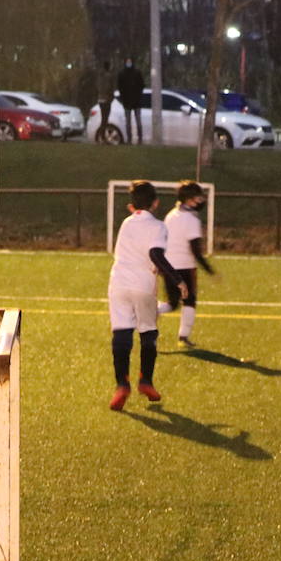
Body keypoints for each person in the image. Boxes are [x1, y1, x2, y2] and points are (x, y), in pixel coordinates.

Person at [107, 180, 180, 410]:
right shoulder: (158, 227)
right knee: (148, 332)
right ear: (156, 203)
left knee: (122, 331)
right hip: (142, 284)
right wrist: (177, 279)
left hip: (118, 282)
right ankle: (145, 381)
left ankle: (122, 385)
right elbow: (155, 253)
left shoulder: (127, 223)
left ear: (132, 205)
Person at [157, 180, 216, 348]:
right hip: (184, 266)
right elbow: (195, 251)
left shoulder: (171, 214)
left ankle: (151, 312)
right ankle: (183, 338)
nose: (201, 201)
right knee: (189, 301)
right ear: (189, 199)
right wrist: (209, 269)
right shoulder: (191, 220)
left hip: (168, 265)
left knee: (172, 303)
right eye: (198, 198)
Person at [116, 57, 145, 144]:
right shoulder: (122, 74)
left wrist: (138, 95)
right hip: (127, 102)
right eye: (127, 61)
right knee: (128, 122)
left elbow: (141, 85)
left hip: (136, 102)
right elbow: (120, 87)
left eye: (130, 61)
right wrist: (123, 97)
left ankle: (140, 138)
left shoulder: (137, 73)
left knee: (138, 122)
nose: (129, 63)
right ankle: (129, 139)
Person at [96, 61, 115, 143]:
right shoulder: (109, 76)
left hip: (100, 99)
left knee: (103, 119)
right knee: (105, 119)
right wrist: (111, 97)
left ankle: (101, 136)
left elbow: (97, 87)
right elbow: (110, 88)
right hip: (107, 99)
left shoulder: (100, 76)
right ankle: (102, 136)